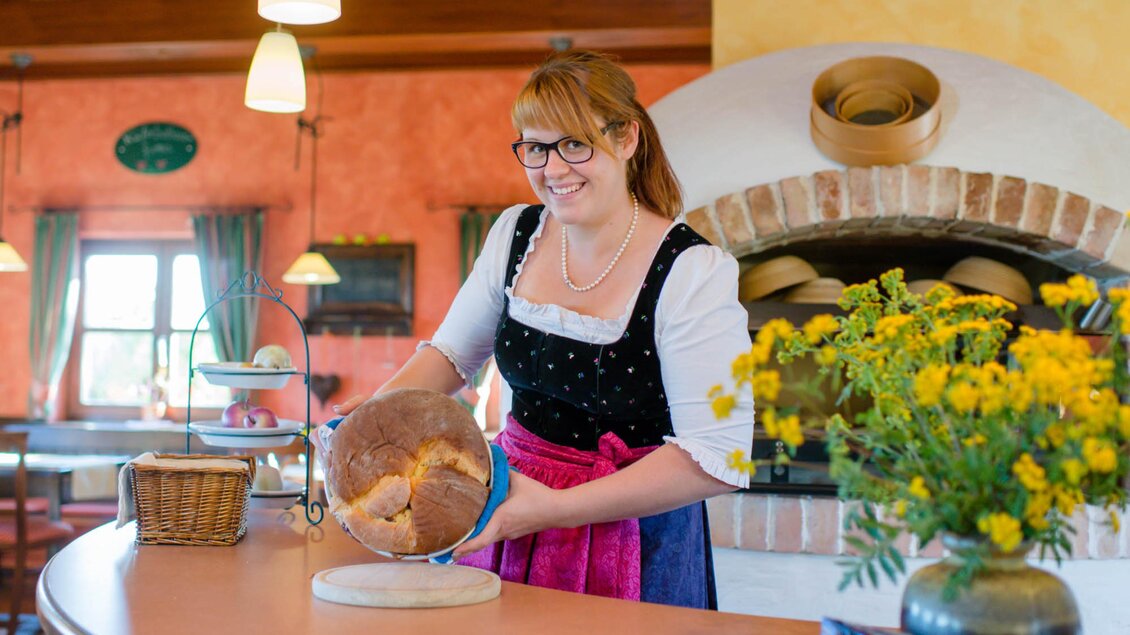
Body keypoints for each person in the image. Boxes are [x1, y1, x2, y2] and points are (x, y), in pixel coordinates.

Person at [317, 50, 754, 609]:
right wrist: (375, 425)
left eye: (574, 144)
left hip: (632, 540)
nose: (552, 168)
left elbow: (715, 457)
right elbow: (452, 357)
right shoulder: (515, 233)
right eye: (535, 147)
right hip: (503, 505)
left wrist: (550, 509)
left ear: (627, 139)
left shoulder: (692, 271)